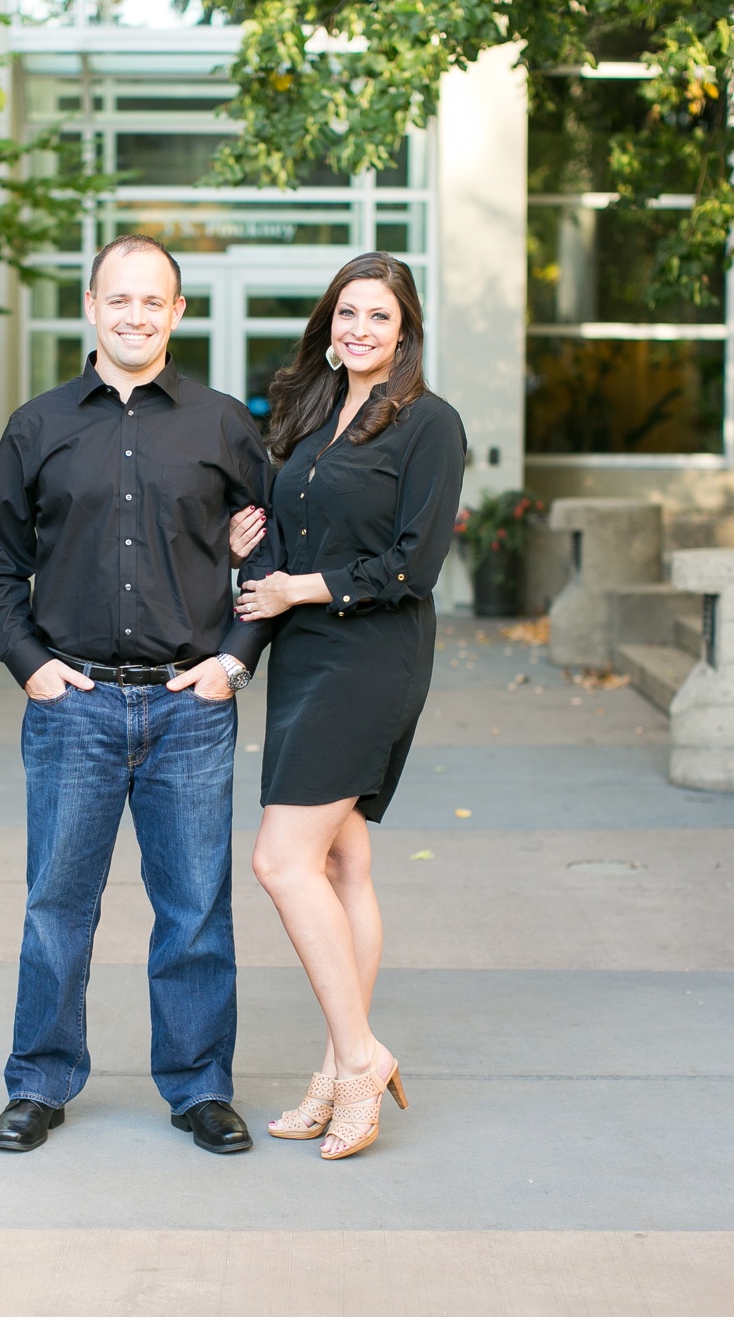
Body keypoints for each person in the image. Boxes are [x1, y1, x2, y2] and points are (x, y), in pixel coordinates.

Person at [0, 233, 274, 1155]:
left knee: (194, 908)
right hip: (75, 705)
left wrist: (235, 658)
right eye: (119, 299)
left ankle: (199, 1087)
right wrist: (29, 663)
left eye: (154, 301)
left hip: (190, 705)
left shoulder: (222, 425)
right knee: (58, 905)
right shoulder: (39, 425)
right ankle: (39, 1082)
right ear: (91, 306)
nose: (136, 315)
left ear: (178, 313)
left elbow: (277, 552)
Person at [231, 251, 467, 1160]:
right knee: (343, 865)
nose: (360, 330)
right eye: (347, 314)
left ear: (404, 331)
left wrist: (298, 587)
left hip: (372, 653)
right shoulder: (307, 413)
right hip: (306, 654)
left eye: (379, 317)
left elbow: (414, 565)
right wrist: (246, 538)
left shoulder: (429, 425)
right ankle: (337, 1068)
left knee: (281, 860)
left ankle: (361, 1057)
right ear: (329, 325)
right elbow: (284, 528)